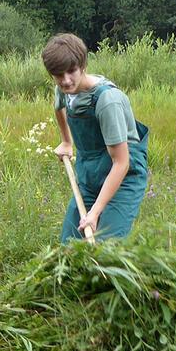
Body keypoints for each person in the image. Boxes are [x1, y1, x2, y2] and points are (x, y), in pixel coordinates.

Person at [44, 33, 149, 243]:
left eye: (71, 71)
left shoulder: (107, 101)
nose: (66, 80)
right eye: (58, 75)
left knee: (104, 247)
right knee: (69, 247)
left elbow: (121, 163)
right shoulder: (64, 89)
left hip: (123, 177)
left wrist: (94, 213)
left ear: (83, 65)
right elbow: (59, 108)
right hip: (90, 174)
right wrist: (66, 141)